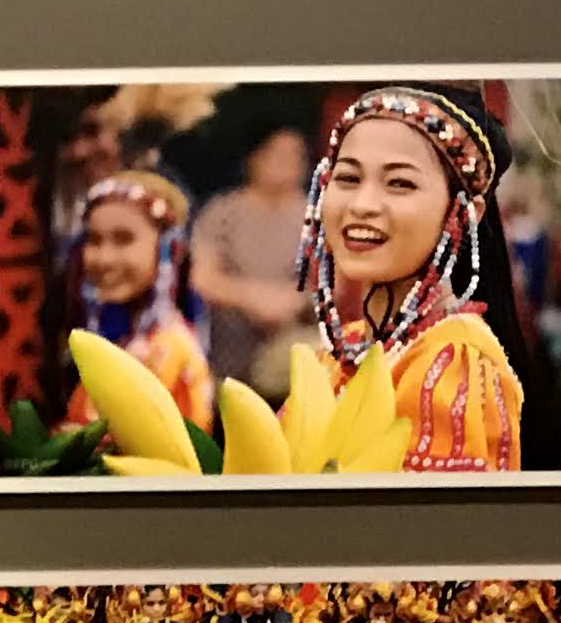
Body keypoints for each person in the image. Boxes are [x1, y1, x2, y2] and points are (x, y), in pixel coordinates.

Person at [297, 85, 542, 473]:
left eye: (400, 183)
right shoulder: (350, 348)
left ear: (466, 211)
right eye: (348, 178)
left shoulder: (452, 363)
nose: (362, 205)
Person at [58, 169, 216, 436]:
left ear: (168, 250)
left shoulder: (164, 350)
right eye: (94, 240)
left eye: (124, 239)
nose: (104, 258)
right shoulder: (123, 339)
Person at [194, 124, 312, 402]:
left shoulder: (319, 215)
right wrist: (252, 297)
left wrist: (293, 301)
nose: (287, 163)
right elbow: (202, 277)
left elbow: (336, 280)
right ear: (253, 158)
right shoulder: (222, 212)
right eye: (277, 154)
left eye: (296, 155)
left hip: (295, 349)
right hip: (228, 355)